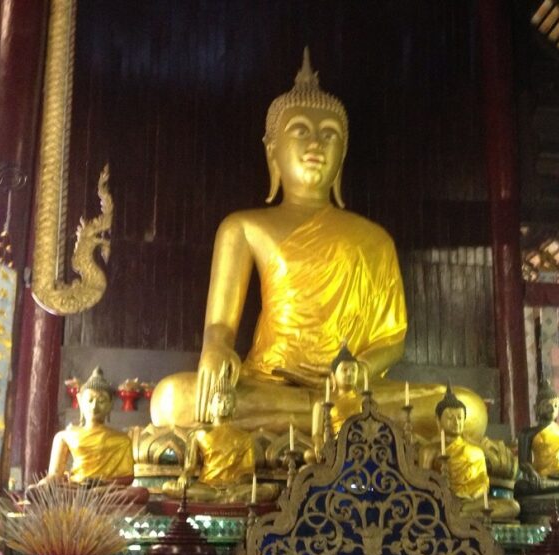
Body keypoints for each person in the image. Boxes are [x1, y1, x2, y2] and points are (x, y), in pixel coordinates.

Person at [149, 49, 486, 441]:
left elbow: (391, 341)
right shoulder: (243, 227)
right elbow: (220, 325)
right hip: (270, 385)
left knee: (467, 408)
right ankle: (330, 423)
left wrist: (358, 372)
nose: (316, 143)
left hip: (353, 393)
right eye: (300, 131)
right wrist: (216, 349)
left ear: (342, 155)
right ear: (272, 150)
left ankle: (321, 419)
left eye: (329, 134)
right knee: (171, 399)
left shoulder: (374, 239)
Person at [162, 368, 280, 503]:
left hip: (235, 488)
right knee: (168, 487)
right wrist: (184, 476)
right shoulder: (197, 434)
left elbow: (248, 473)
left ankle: (223, 497)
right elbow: (190, 467)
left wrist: (236, 484)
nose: (223, 405)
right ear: (210, 406)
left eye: (228, 401)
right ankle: (226, 498)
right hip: (206, 486)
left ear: (234, 408)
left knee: (271, 489)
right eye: (218, 400)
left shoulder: (245, 437)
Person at [421, 385, 519, 521]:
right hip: (445, 501)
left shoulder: (476, 449)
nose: (456, 422)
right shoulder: (430, 450)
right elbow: (422, 485)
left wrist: (474, 497)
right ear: (438, 421)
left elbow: (483, 487)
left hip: (474, 504)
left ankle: (463, 516)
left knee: (513, 507)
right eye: (450, 418)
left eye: (460, 418)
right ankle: (459, 516)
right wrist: (441, 486)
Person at [44, 367, 134, 485]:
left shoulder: (122, 440)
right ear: (80, 401)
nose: (94, 406)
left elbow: (128, 478)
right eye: (90, 400)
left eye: (101, 401)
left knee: (140, 492)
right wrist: (44, 484)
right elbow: (54, 475)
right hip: (77, 488)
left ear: (110, 405)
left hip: (107, 490)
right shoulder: (64, 437)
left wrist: (102, 482)